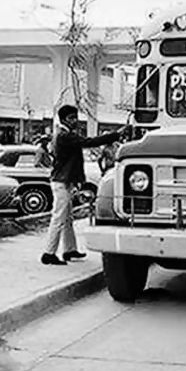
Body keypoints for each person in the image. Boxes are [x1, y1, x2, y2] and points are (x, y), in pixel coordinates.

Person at [41, 105, 130, 266]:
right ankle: (49, 253)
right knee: (59, 218)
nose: (75, 120)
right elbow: (89, 142)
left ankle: (69, 250)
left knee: (67, 218)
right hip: (61, 182)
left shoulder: (64, 134)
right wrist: (116, 135)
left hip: (64, 181)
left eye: (76, 117)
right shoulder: (64, 136)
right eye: (71, 118)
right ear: (64, 119)